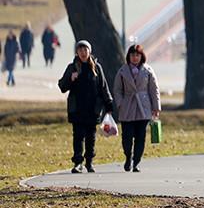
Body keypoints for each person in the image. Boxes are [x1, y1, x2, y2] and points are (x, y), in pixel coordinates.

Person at [58, 40, 114, 174]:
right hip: (77, 109)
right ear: (76, 52)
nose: (83, 53)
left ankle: (89, 162)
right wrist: (70, 79)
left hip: (92, 109)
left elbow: (103, 87)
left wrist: (109, 104)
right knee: (78, 136)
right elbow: (62, 87)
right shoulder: (72, 67)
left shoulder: (97, 68)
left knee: (91, 137)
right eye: (80, 50)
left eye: (85, 50)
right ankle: (78, 163)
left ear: (90, 51)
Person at [112, 44, 161, 172]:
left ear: (141, 56)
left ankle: (136, 162)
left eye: (137, 55)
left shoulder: (148, 70)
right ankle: (128, 156)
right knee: (126, 137)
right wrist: (120, 103)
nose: (135, 58)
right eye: (133, 55)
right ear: (129, 56)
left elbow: (154, 89)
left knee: (140, 137)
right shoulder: (122, 71)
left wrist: (156, 107)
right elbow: (117, 89)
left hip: (143, 107)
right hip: (127, 107)